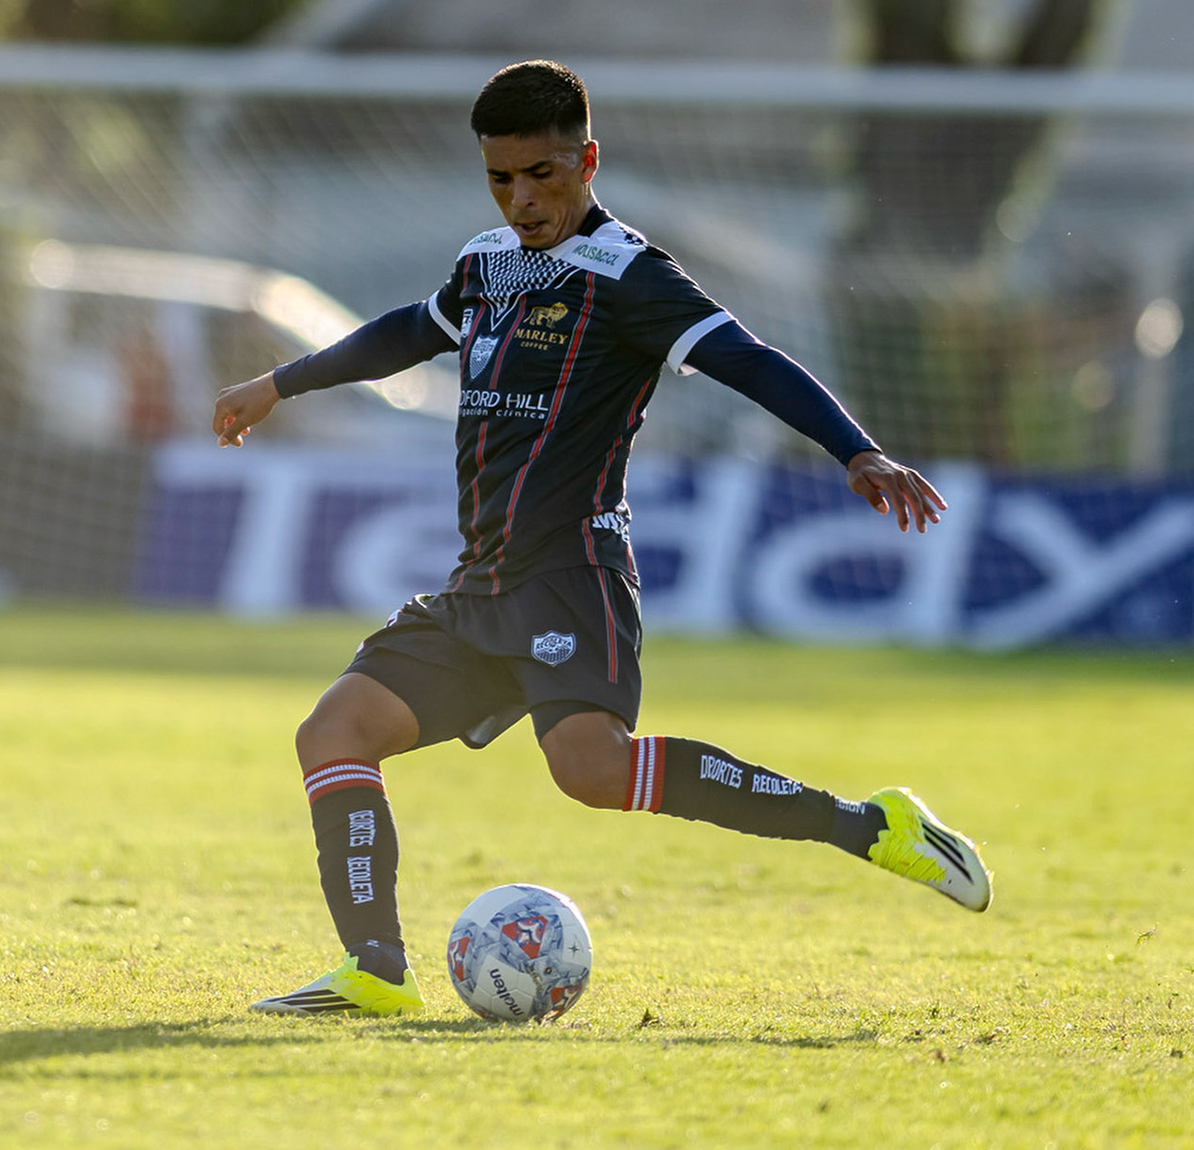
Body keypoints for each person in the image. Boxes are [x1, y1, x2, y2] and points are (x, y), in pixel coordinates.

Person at [211, 61, 991, 1018]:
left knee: (591, 772)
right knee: (333, 732)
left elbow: (748, 359)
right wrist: (279, 385)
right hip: (481, 582)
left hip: (573, 576)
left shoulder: (632, 278)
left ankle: (868, 826)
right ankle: (377, 972)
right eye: (501, 179)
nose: (522, 199)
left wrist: (855, 451)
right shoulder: (488, 263)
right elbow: (413, 331)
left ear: (586, 161)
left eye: (541, 174)